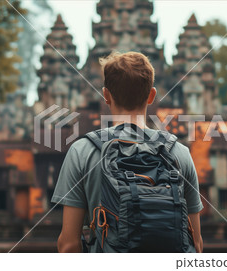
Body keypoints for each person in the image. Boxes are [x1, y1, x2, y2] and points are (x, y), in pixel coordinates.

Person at [51, 51, 204, 253]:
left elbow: (69, 245)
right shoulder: (179, 152)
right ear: (152, 96)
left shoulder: (83, 151)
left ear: (106, 95)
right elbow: (196, 242)